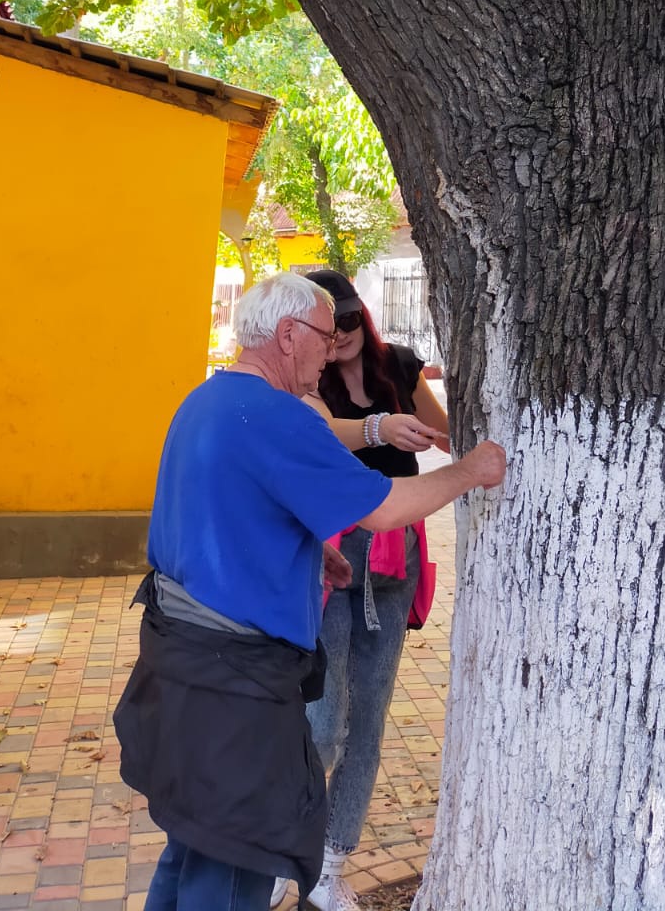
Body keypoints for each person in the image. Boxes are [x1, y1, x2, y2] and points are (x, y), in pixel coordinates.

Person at [113, 272, 506, 911]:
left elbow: (217, 507)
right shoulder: (276, 416)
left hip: (179, 658)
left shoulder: (207, 400)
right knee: (237, 858)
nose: (330, 350)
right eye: (325, 336)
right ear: (289, 334)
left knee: (192, 842)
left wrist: (306, 550)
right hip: (233, 680)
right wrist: (470, 470)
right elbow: (385, 507)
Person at [270, 270, 451, 911]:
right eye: (331, 324)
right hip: (331, 550)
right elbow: (323, 433)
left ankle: (330, 863)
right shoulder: (306, 378)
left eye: (349, 319)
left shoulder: (399, 364)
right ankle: (282, 846)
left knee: (368, 720)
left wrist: (436, 435)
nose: (340, 334)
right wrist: (380, 428)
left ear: (362, 318)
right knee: (323, 722)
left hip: (396, 552)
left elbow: (446, 430)